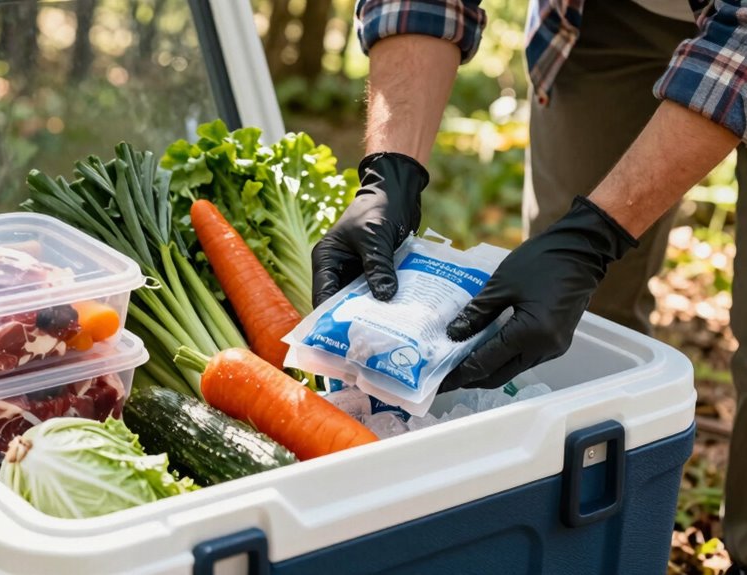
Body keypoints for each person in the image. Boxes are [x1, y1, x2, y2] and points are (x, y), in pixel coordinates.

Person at [311, 0, 747, 570]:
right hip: (599, 19)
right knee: (585, 316)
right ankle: (581, 546)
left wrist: (594, 235)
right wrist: (387, 169)